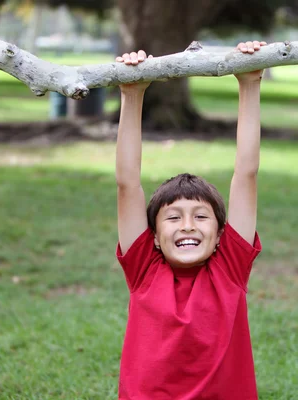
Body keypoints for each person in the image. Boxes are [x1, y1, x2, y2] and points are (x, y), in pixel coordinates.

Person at [115, 40, 267, 400]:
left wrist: (249, 83)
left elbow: (246, 173)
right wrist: (132, 94)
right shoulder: (143, 270)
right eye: (173, 218)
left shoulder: (230, 267)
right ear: (152, 236)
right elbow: (127, 183)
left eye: (201, 216)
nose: (187, 225)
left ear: (220, 236)